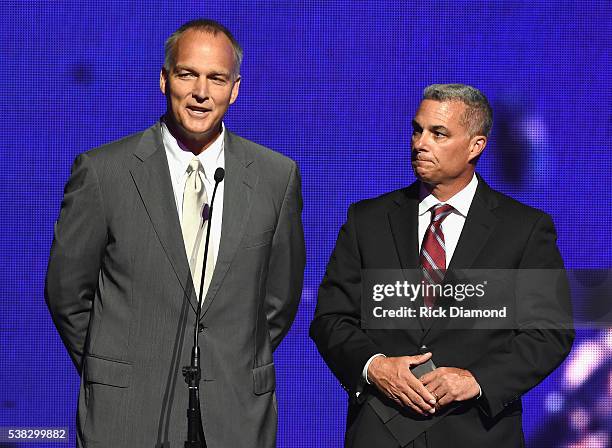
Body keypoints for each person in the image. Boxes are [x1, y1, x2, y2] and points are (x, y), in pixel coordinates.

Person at [45, 19, 305, 448]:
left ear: (234, 89)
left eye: (216, 78)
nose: (202, 92)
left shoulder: (276, 177)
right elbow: (67, 293)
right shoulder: (104, 172)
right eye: (188, 74)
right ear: (164, 80)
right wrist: (115, 367)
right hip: (126, 416)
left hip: (235, 417)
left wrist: (230, 364)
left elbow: (278, 299)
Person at [310, 84, 573, 447]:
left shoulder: (524, 229)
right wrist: (375, 366)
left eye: (439, 133)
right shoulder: (367, 220)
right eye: (417, 130)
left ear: (475, 146)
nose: (420, 143)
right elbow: (331, 319)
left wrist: (475, 380)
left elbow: (549, 333)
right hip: (381, 431)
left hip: (477, 433)